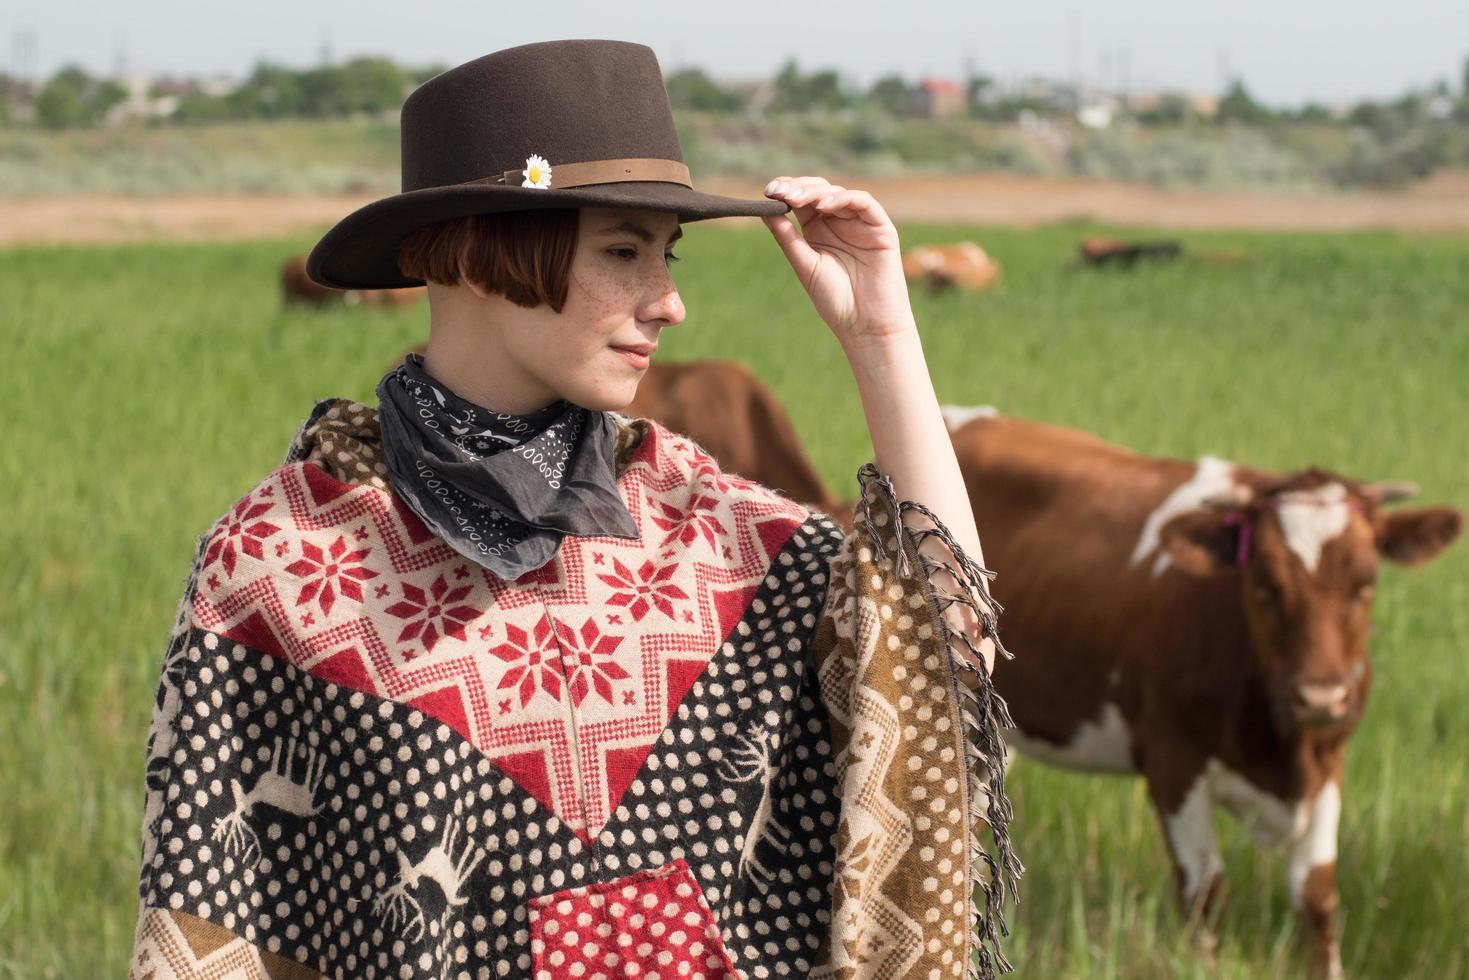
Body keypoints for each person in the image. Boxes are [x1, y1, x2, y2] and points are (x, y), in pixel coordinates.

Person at [128, 39, 1020, 980]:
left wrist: (880, 334)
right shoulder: (281, 564)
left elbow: (944, 651)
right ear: (480, 252)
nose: (669, 301)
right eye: (625, 251)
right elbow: (212, 932)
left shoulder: (709, 532)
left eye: (665, 254)